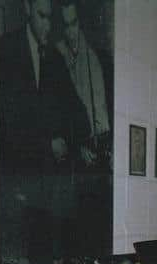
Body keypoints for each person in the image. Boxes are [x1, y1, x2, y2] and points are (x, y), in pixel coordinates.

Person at [0, 0, 90, 264]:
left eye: (51, 19)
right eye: (42, 16)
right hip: (15, 181)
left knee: (44, 261)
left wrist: (63, 139)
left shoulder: (54, 61)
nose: (47, 25)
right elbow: (3, 121)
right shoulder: (6, 50)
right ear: (27, 10)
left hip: (45, 192)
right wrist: (45, 144)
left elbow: (81, 119)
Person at [56, 0, 111, 170]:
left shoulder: (95, 57)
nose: (71, 31)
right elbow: (61, 113)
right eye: (66, 25)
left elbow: (105, 106)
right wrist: (77, 147)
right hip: (75, 150)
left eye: (74, 23)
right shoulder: (57, 58)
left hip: (101, 145)